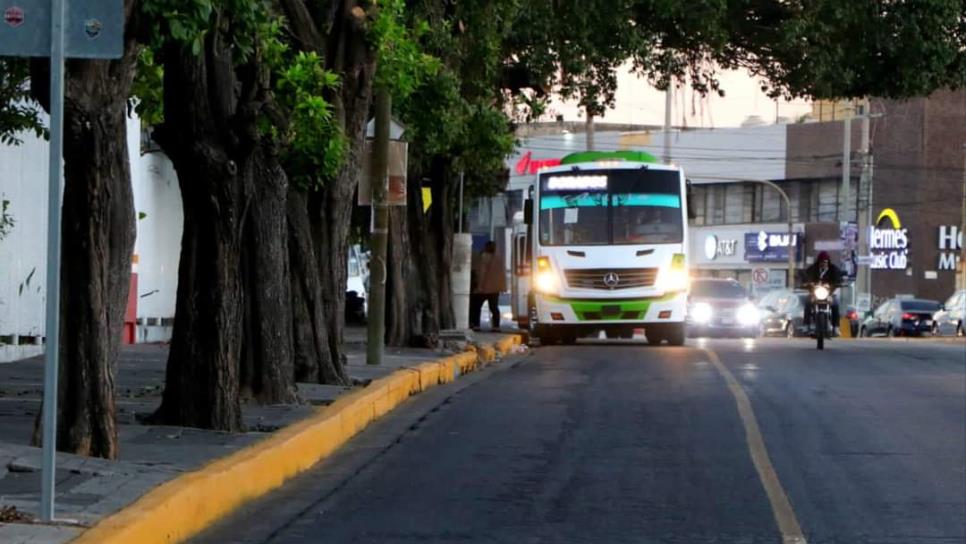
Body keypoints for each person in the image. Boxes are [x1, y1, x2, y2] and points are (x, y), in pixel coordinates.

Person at [801, 251, 844, 335]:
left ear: (828, 262)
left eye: (825, 262)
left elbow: (838, 279)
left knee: (835, 304)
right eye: (821, 262)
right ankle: (806, 325)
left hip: (829, 293)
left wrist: (836, 284)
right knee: (808, 302)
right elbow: (806, 277)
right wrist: (807, 283)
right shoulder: (812, 269)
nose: (823, 264)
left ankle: (836, 327)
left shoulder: (834, 269)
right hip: (815, 293)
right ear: (818, 262)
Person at [470, 241, 506, 331]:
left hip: (483, 288)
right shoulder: (498, 258)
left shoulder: (483, 257)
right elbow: (501, 274)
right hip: (494, 289)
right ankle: (496, 326)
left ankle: (476, 325)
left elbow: (481, 272)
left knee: (476, 306)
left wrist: (479, 286)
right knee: (494, 307)